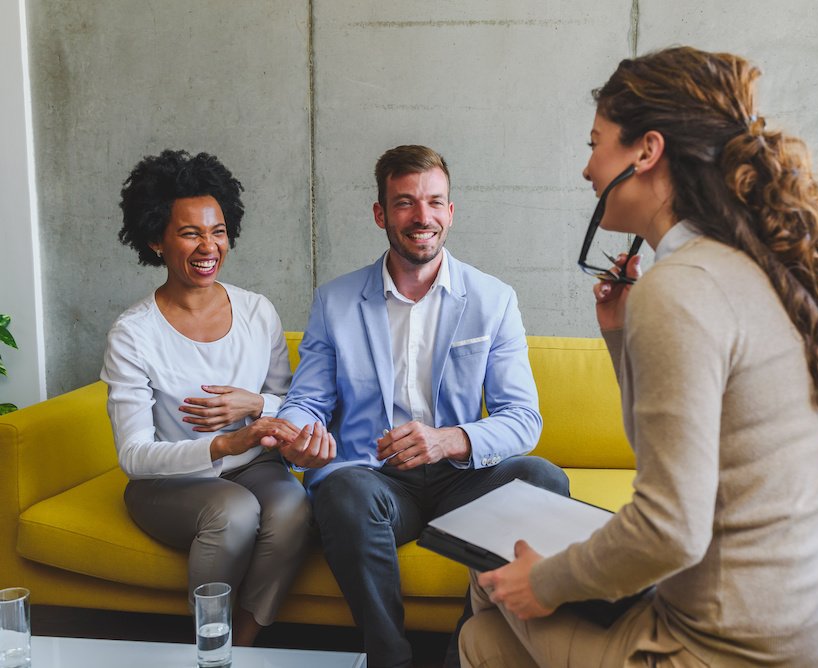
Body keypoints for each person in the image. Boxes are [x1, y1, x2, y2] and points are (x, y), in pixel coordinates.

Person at [459, 46, 818, 668]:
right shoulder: (758, 266)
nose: (586, 169)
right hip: (814, 627)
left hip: (726, 649)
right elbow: (681, 456)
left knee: (489, 579)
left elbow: (669, 530)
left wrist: (544, 583)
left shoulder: (680, 286)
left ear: (646, 152)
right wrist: (620, 331)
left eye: (595, 143)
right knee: (484, 640)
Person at [277, 144, 570, 668]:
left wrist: (449, 440)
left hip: (462, 481)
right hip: (376, 480)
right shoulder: (335, 301)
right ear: (381, 214)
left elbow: (523, 418)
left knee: (543, 479)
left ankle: (462, 650)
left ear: (450, 212)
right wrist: (298, 435)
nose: (422, 217)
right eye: (406, 202)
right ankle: (388, 658)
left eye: (435, 202)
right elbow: (307, 399)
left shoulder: (493, 299)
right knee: (341, 489)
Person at [101, 149, 333, 647]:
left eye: (218, 230)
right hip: (168, 481)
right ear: (155, 240)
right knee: (234, 511)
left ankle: (237, 647)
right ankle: (210, 643)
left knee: (293, 505)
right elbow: (135, 455)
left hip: (258, 467)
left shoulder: (257, 312)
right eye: (190, 232)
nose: (209, 245)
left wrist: (255, 407)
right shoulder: (133, 333)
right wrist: (225, 445)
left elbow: (288, 401)